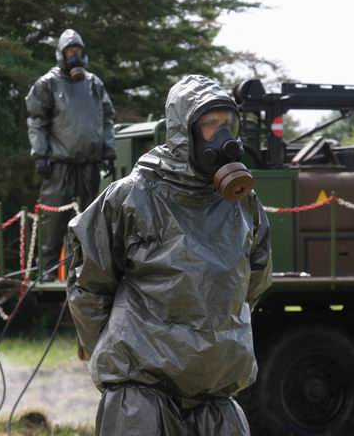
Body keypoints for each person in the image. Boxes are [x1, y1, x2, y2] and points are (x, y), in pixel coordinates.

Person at [66, 74, 272, 435]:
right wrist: (118, 349)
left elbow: (252, 281)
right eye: (210, 125)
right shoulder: (133, 196)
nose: (223, 137)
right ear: (183, 131)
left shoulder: (241, 203)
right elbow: (88, 285)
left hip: (215, 390)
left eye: (228, 124)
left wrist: (216, 329)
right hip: (142, 394)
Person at [25, 29, 115, 272]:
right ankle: (48, 270)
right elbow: (37, 121)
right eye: (69, 51)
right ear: (61, 54)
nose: (74, 56)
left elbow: (107, 119)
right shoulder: (48, 83)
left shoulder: (94, 84)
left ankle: (88, 271)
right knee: (53, 220)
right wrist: (40, 154)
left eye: (77, 51)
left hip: (89, 162)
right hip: (58, 164)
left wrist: (108, 151)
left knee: (90, 219)